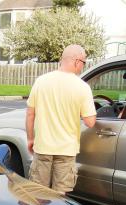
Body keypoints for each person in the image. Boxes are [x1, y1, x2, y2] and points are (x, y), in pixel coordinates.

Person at [25, 44, 97, 194]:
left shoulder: (41, 81)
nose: (82, 67)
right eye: (83, 63)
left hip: (43, 147)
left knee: (39, 194)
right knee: (60, 198)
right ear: (77, 61)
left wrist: (31, 139)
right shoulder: (82, 87)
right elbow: (90, 122)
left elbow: (30, 114)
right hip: (66, 150)